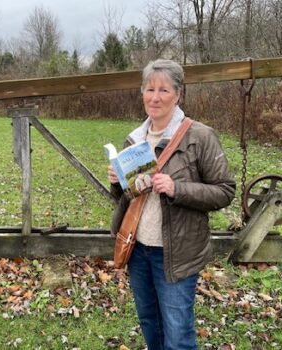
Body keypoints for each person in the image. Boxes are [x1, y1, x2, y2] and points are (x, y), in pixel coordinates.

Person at [108, 59, 236, 350]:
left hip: (177, 253)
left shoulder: (200, 136)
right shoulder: (134, 139)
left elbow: (225, 191)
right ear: (141, 92)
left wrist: (177, 189)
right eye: (149, 89)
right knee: (150, 324)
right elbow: (124, 200)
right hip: (138, 250)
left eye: (164, 90)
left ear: (178, 94)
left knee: (177, 334)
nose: (155, 97)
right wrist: (117, 181)